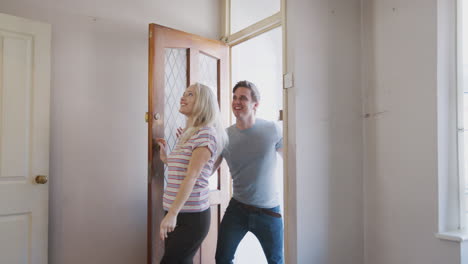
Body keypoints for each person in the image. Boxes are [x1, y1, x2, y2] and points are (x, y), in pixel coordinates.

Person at [156, 83, 228, 264]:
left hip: (190, 217)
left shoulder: (206, 134)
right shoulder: (188, 134)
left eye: (190, 94)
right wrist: (166, 158)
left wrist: (172, 213)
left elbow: (192, 176)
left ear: (204, 103)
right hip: (176, 211)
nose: (183, 97)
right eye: (184, 93)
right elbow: (183, 170)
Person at [215, 80, 284, 264]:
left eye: (243, 98)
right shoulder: (225, 136)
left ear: (255, 105)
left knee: (276, 261)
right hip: (238, 209)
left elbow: (292, 161)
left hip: (269, 212)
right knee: (222, 258)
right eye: (235, 97)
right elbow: (208, 167)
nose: (237, 101)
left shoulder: (271, 130)